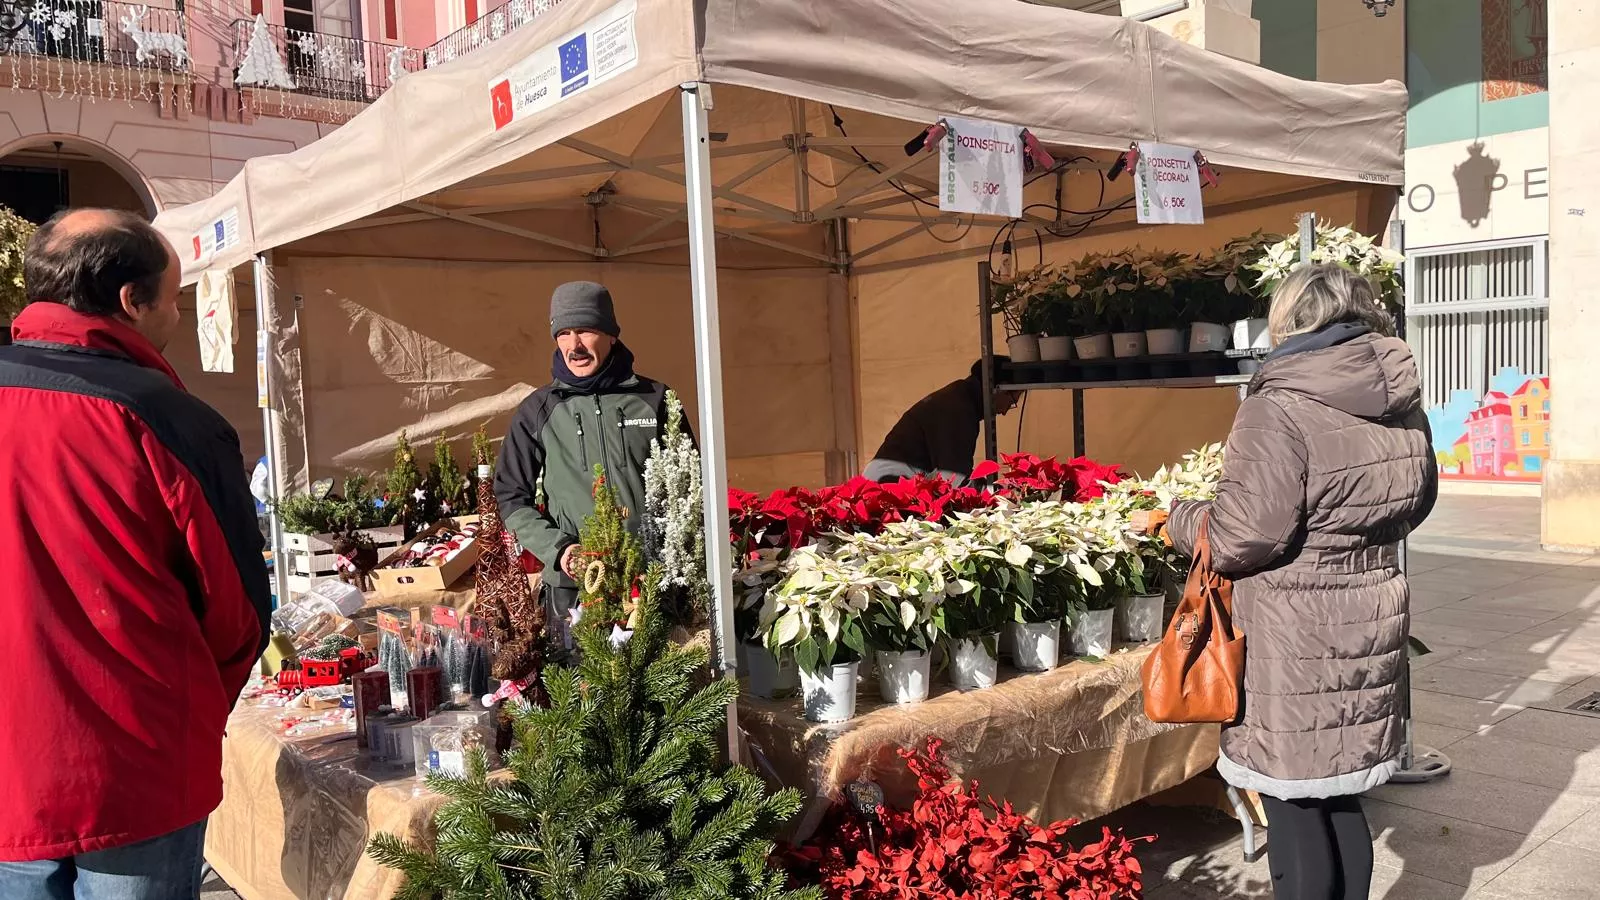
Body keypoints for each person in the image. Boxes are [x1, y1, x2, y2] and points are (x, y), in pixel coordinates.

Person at [1134, 264, 1436, 900]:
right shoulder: (1401, 399)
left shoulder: (1278, 404)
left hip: (1294, 632)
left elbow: (1244, 536)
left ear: (1290, 318)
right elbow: (1418, 499)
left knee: (1295, 806)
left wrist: (1176, 518)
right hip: (1372, 611)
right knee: (1340, 795)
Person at [0, 210, 271, 898]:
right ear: (132, 302)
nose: (175, 316)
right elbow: (237, 614)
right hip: (136, 768)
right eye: (173, 298)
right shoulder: (170, 418)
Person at [495, 281, 681, 644]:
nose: (574, 345)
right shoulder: (537, 411)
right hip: (575, 590)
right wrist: (559, 549)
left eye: (586, 330)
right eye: (563, 333)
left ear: (611, 334)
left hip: (651, 584)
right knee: (581, 697)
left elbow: (689, 487)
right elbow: (510, 497)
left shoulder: (656, 399)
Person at [864, 358, 1022, 485]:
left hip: (889, 481)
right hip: (889, 486)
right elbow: (953, 479)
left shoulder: (959, 397)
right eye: (1012, 401)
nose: (1005, 411)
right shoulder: (959, 408)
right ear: (1000, 388)